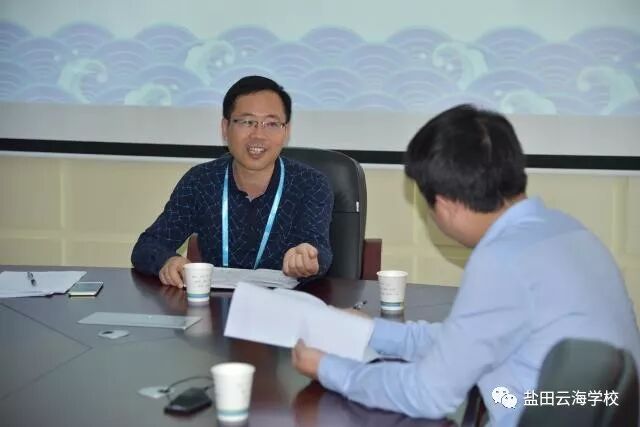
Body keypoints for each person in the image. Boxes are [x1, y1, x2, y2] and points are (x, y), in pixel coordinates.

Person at [291, 104, 640, 426]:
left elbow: (429, 393)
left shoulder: (502, 260)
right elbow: (462, 341)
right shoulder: (567, 232)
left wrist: (328, 368)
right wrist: (372, 332)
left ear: (445, 205)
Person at [131, 76, 333, 287]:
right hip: (216, 303)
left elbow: (320, 251)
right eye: (247, 122)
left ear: (286, 131)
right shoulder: (201, 181)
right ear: (225, 127)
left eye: (272, 124)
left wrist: (309, 259)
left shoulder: (311, 184)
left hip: (284, 302)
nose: (258, 135)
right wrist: (167, 261)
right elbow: (148, 245)